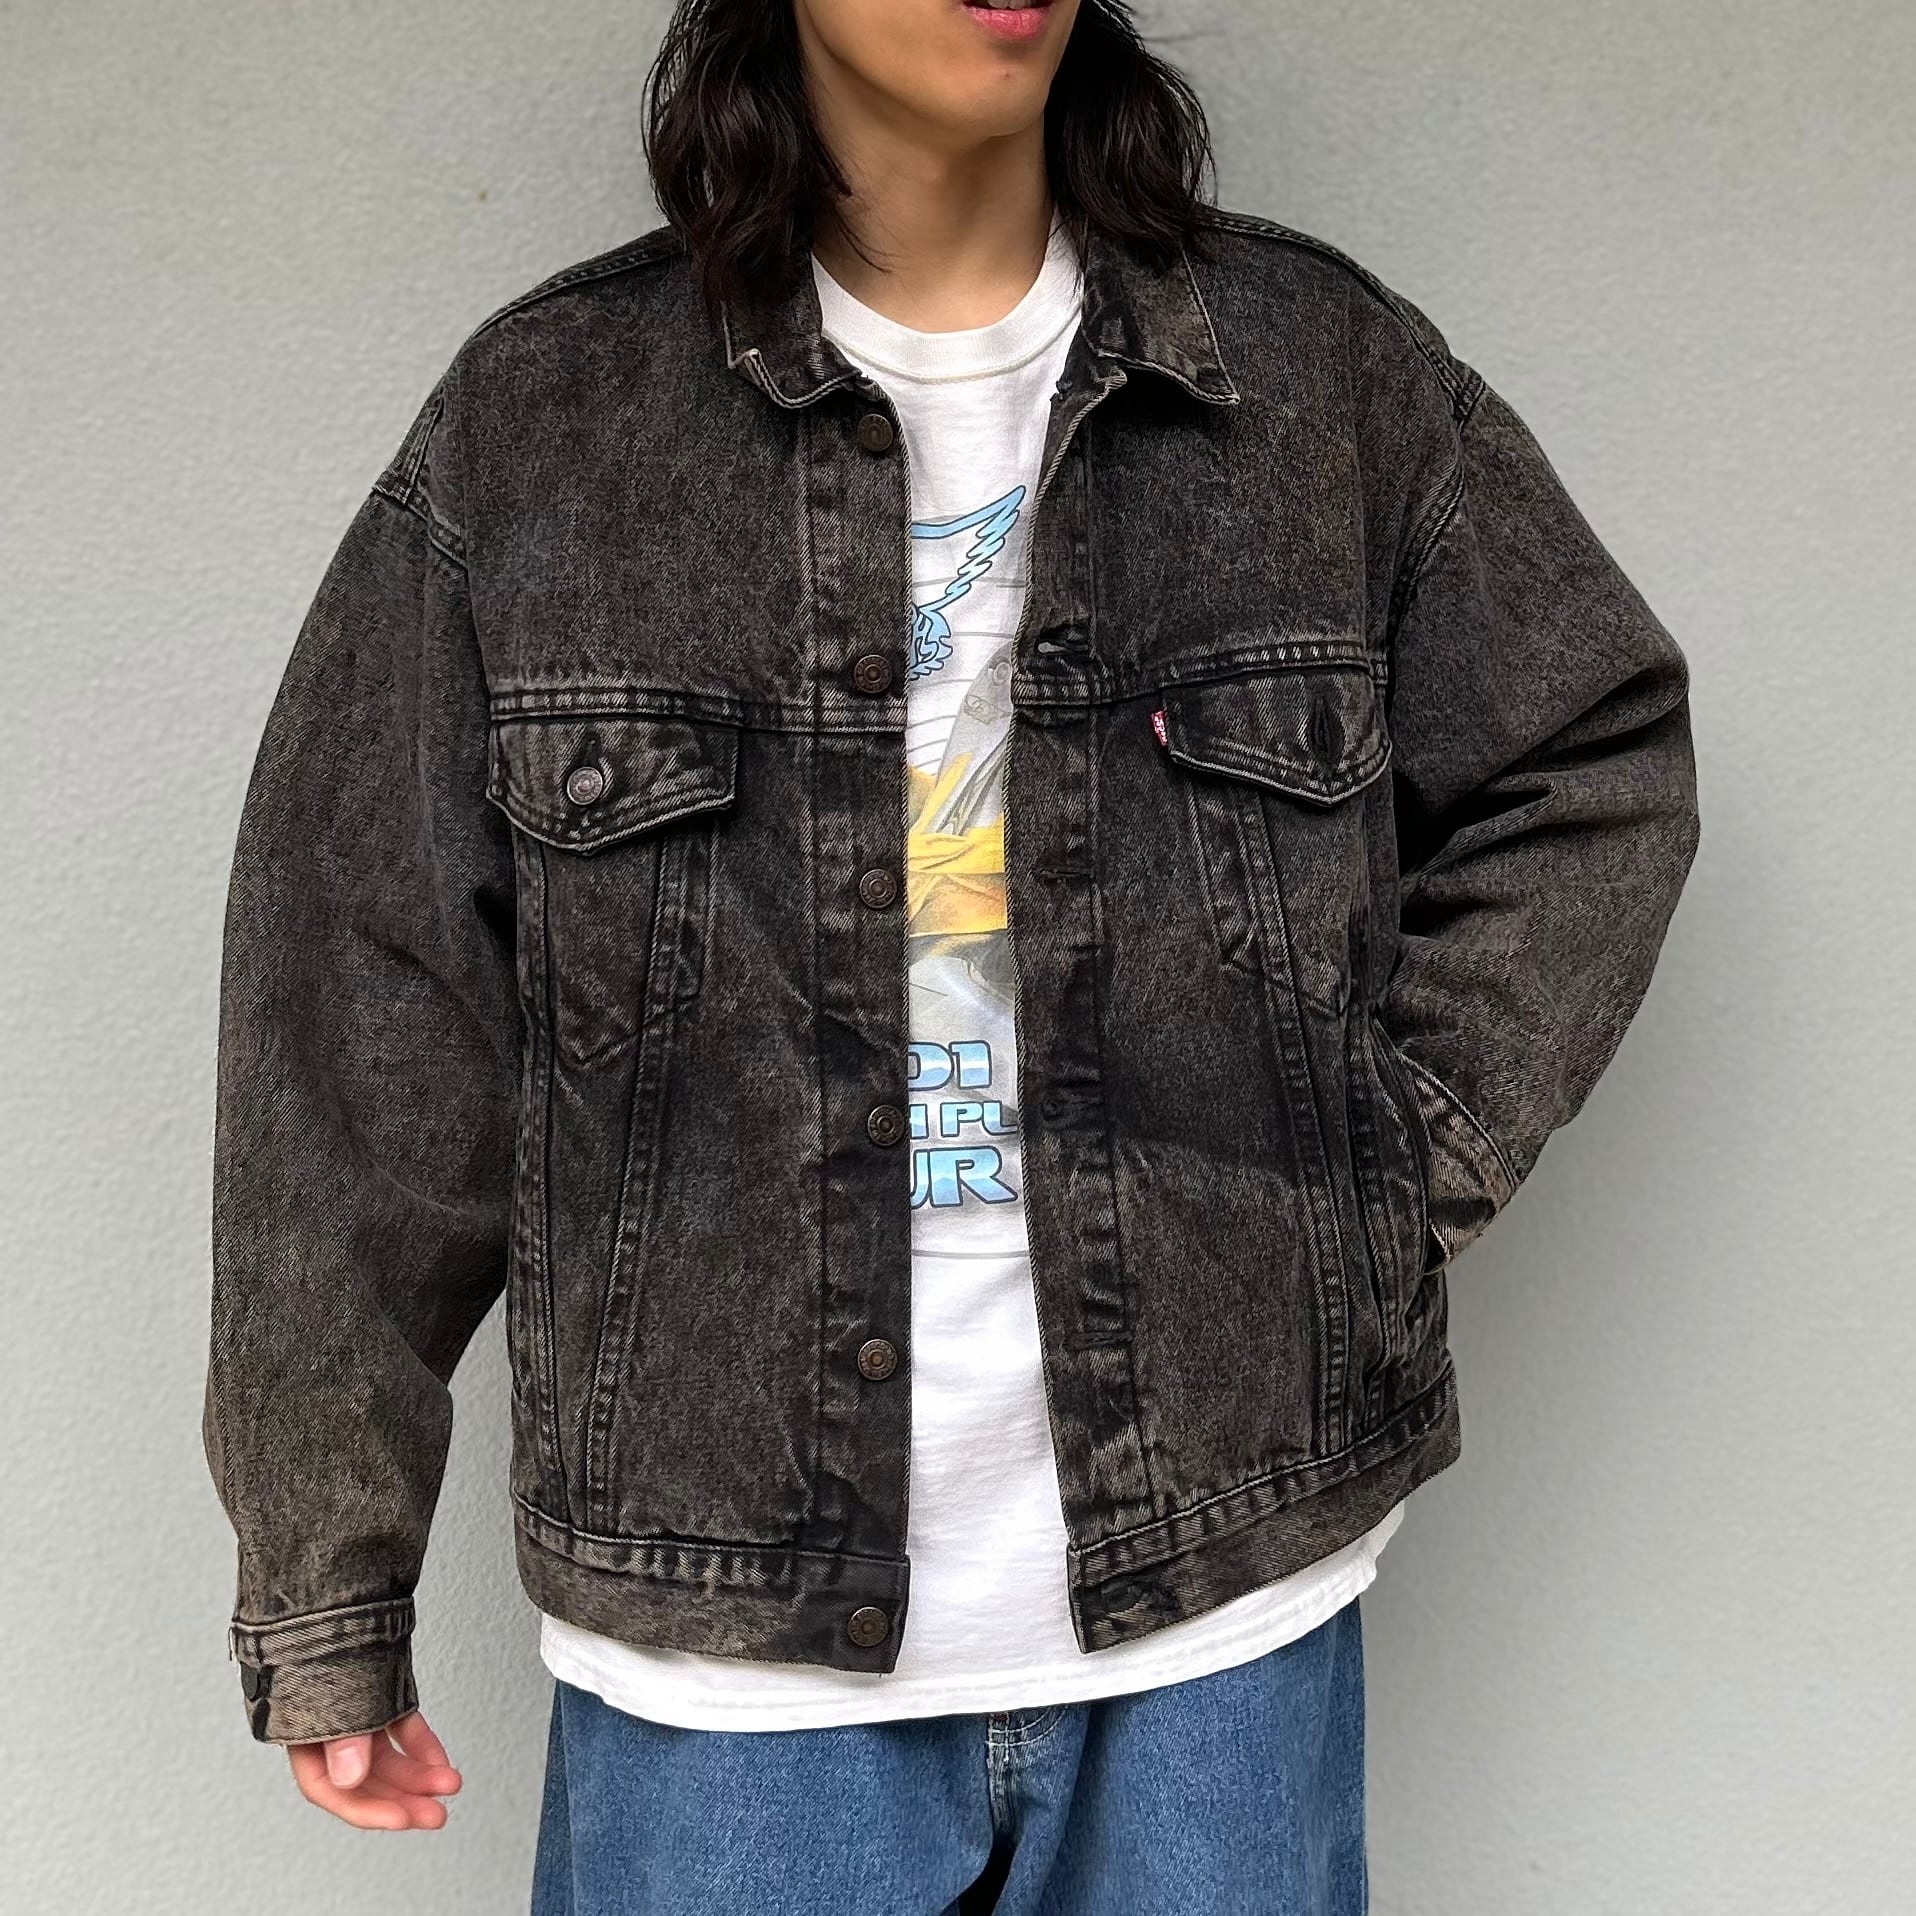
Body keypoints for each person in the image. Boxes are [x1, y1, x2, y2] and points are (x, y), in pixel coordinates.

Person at [200, 1, 1700, 1909]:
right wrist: (327, 1583)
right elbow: (360, 1008)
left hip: (1223, 1615)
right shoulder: (544, 426)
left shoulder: (1322, 380)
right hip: (725, 1658)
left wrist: (1386, 1167)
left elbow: (1590, 761)